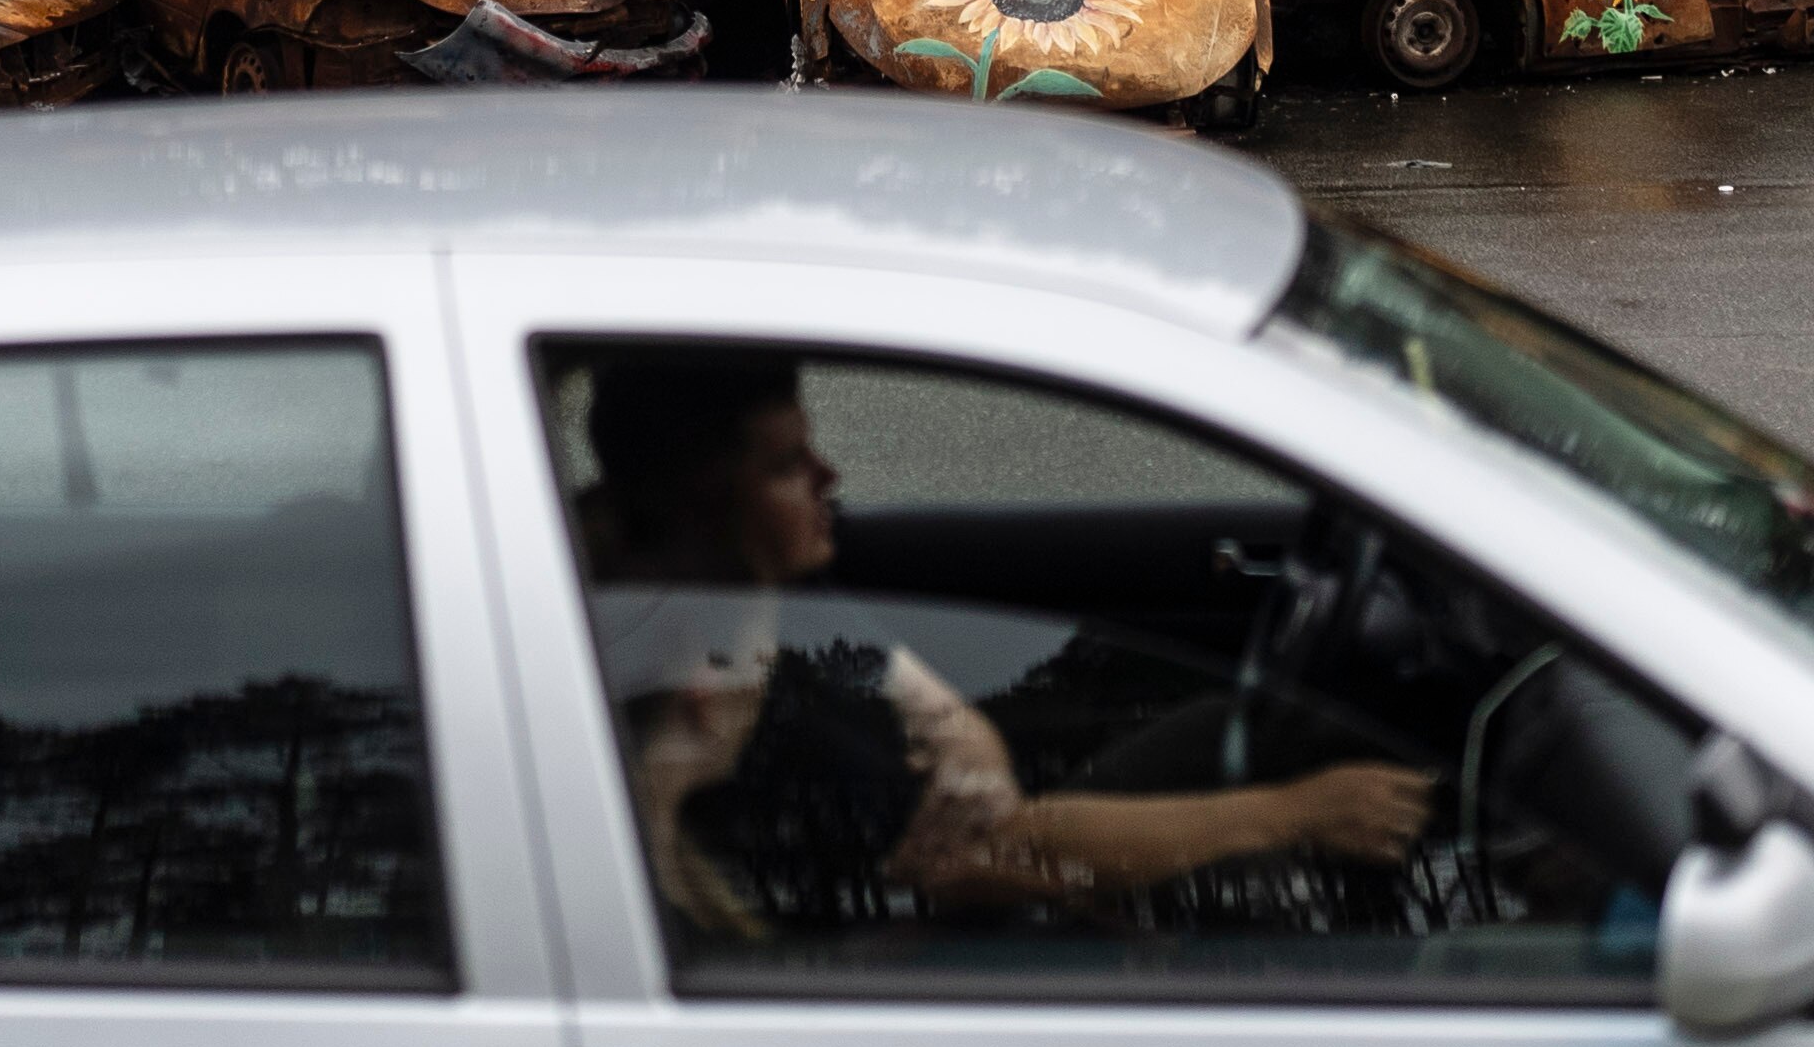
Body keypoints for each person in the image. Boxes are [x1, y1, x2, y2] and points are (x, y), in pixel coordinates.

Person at [570, 349, 1432, 943]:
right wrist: (1297, 813)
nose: (831, 478)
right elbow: (990, 854)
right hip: (911, 951)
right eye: (789, 465)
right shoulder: (712, 687)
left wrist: (961, 746)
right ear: (704, 502)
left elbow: (935, 726)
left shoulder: (777, 596)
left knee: (1224, 725)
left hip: (954, 879)